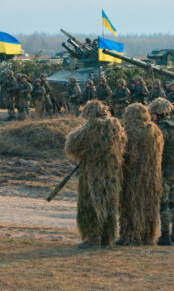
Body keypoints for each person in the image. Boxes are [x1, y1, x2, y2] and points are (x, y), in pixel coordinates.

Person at [65, 100, 127, 249]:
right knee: (109, 203)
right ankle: (107, 238)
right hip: (112, 172)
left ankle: (93, 238)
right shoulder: (116, 125)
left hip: (93, 171)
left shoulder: (91, 126)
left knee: (91, 203)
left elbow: (71, 144)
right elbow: (123, 143)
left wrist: (84, 154)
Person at [118, 103, 164, 245]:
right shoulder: (156, 130)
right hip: (152, 175)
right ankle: (148, 236)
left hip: (134, 175)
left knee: (132, 206)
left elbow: (129, 155)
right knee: (149, 206)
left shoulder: (130, 130)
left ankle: (131, 236)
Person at [149, 97, 174, 246]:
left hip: (164, 171)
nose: (151, 116)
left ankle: (165, 235)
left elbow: (154, 151)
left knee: (164, 205)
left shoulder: (161, 129)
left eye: (152, 114)